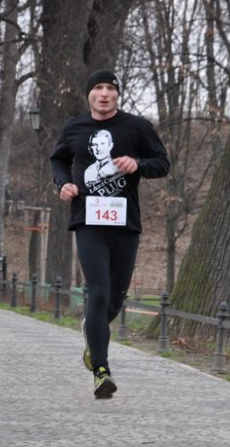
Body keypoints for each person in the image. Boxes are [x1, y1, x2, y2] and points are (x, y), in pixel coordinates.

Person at [51, 69, 170, 398]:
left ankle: (92, 332)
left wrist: (139, 164)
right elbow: (58, 161)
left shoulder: (136, 127)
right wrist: (64, 184)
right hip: (88, 224)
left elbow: (162, 163)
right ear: (89, 94)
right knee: (99, 292)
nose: (104, 94)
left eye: (110, 89)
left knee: (115, 299)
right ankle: (101, 370)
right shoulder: (74, 128)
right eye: (98, 88)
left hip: (125, 225)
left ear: (117, 94)